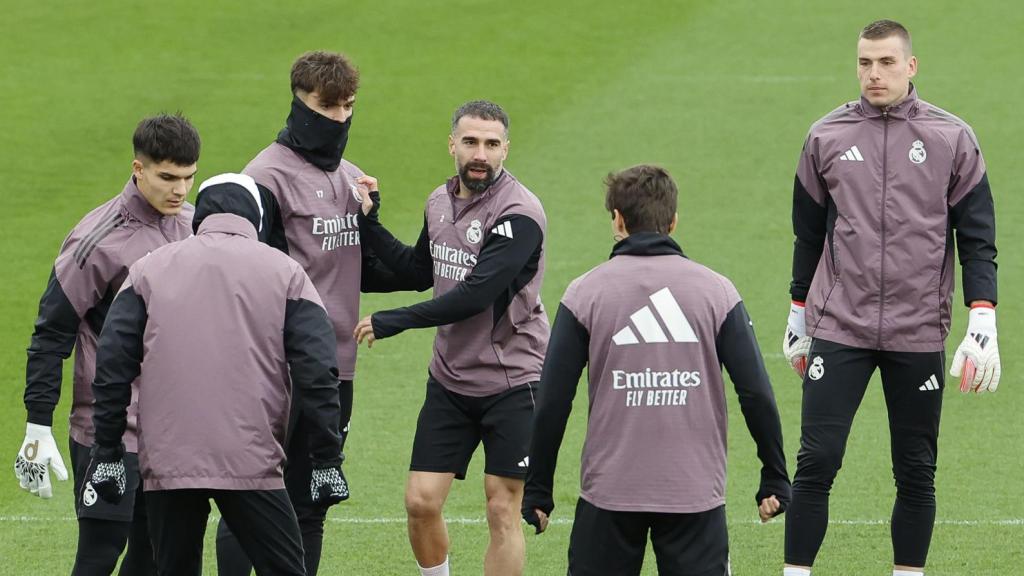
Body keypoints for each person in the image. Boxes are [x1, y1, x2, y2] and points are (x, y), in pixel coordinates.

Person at [781, 20, 999, 576]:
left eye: (884, 62)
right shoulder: (826, 136)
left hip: (918, 329)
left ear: (911, 66)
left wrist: (983, 319)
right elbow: (809, 234)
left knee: (915, 468)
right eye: (864, 63)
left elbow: (977, 239)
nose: (873, 74)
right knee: (817, 461)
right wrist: (798, 312)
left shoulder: (952, 138)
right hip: (840, 326)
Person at [521, 165, 791, 575]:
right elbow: (755, 391)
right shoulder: (717, 291)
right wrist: (774, 474)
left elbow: (553, 399)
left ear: (617, 220)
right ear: (674, 221)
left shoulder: (584, 293)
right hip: (694, 492)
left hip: (609, 493)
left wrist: (539, 486)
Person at [87, 174, 349, 576]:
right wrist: (326, 459)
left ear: (200, 216)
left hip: (168, 463)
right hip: (252, 461)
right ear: (256, 220)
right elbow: (318, 372)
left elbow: (111, 365)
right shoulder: (288, 273)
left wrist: (106, 451)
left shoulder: (147, 271)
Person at [215, 50, 407, 576]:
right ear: (300, 103)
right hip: (274, 371)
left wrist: (374, 221)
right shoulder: (264, 179)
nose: (340, 118)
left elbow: (362, 268)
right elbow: (247, 278)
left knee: (312, 502)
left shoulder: (351, 178)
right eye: (328, 106)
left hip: (334, 370)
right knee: (249, 497)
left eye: (349, 106)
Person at [353, 100, 548, 576]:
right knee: (420, 501)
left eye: (491, 144)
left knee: (502, 508)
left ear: (505, 149)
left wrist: (392, 320)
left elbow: (475, 295)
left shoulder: (520, 214)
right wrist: (369, 222)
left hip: (514, 382)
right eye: (470, 142)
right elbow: (421, 270)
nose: (480, 153)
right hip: (451, 379)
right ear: (452, 145)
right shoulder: (439, 201)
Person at [15, 114, 200, 575]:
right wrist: (37, 425)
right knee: (99, 554)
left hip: (178, 433)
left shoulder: (195, 225)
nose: (180, 190)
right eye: (168, 177)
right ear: (138, 169)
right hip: (110, 430)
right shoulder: (97, 240)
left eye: (189, 177)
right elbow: (52, 331)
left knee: (155, 556)